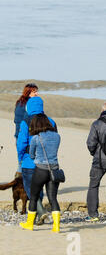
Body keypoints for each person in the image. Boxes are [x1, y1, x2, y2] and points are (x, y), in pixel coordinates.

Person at [17, 96, 56, 225]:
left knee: (31, 190)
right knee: (40, 190)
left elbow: (21, 143)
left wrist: (21, 158)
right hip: (48, 162)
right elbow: (54, 140)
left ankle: (41, 211)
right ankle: (38, 216)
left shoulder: (25, 122)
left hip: (29, 161)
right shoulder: (51, 121)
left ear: (29, 107)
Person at [19, 114, 61, 232]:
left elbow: (31, 155)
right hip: (54, 169)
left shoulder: (36, 138)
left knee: (33, 197)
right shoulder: (57, 136)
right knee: (53, 198)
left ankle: (29, 224)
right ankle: (56, 226)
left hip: (40, 170)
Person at [14, 83, 39, 172]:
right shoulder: (28, 105)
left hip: (19, 135)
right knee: (26, 162)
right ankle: (21, 183)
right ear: (28, 92)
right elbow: (28, 121)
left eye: (36, 91)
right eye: (34, 92)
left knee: (21, 162)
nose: (36, 94)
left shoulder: (19, 102)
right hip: (26, 136)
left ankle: (20, 183)